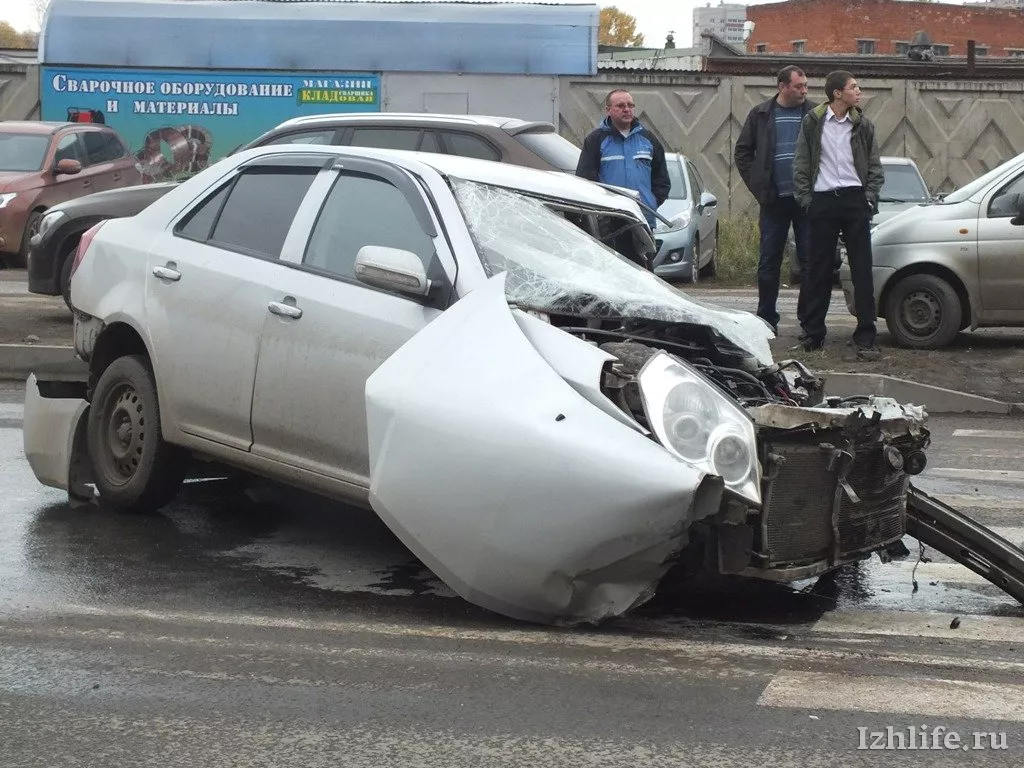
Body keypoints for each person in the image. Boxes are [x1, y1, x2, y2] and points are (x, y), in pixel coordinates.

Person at [793, 70, 884, 360]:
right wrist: (807, 201)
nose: (859, 92)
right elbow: (801, 163)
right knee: (817, 270)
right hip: (822, 201)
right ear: (837, 94)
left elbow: (874, 166)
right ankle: (813, 334)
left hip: (855, 200)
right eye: (854, 87)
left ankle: (866, 336)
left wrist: (868, 197)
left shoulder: (863, 125)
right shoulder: (813, 122)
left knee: (862, 270)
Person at [734, 65, 814, 336]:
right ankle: (767, 320)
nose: (804, 91)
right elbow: (743, 152)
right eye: (798, 86)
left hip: (806, 201)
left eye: (805, 86)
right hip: (773, 200)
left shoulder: (814, 114)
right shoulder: (760, 114)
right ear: (782, 86)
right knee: (769, 261)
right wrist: (758, 185)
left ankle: (809, 322)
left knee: (809, 262)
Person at [575, 89, 670, 230]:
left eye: (630, 105)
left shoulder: (648, 140)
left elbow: (661, 180)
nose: (627, 110)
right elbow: (585, 181)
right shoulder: (595, 140)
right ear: (608, 110)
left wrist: (651, 203)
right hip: (608, 222)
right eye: (620, 106)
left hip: (642, 219)